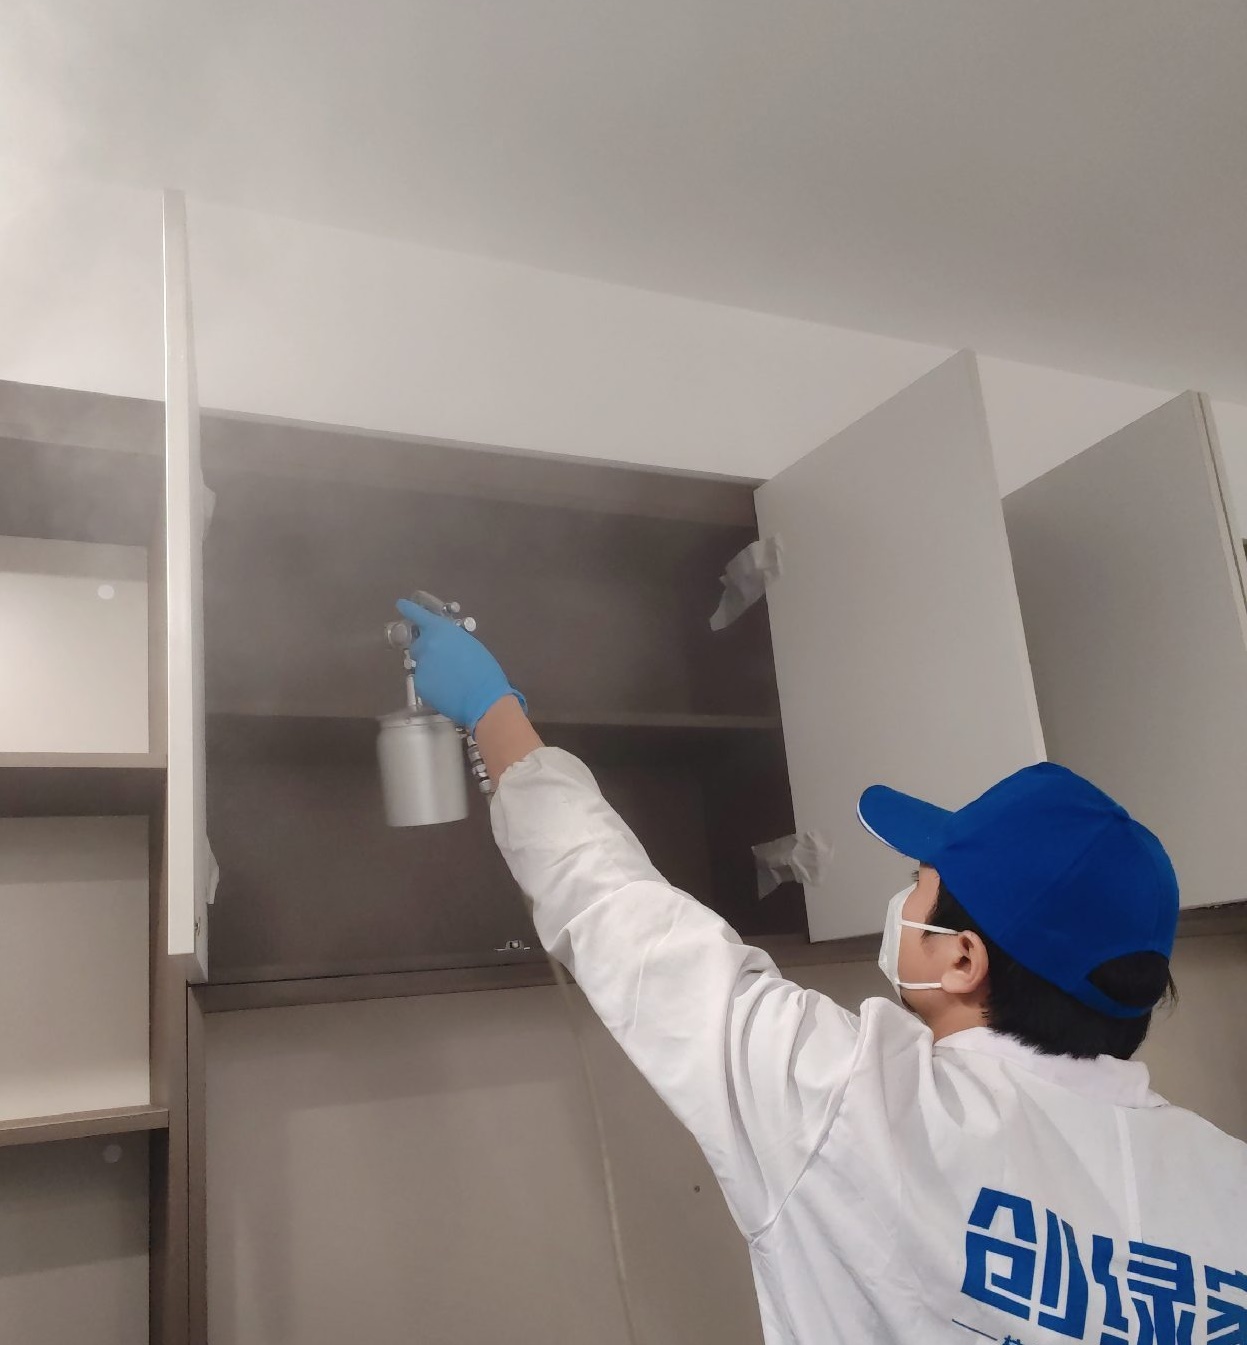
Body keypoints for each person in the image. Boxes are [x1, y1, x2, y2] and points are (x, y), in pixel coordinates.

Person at [396, 598, 1247, 1345]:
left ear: (961, 957)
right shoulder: (1226, 1182)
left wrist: (492, 710)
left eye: (918, 882)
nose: (902, 898)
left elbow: (619, 910)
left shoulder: (855, 1104)